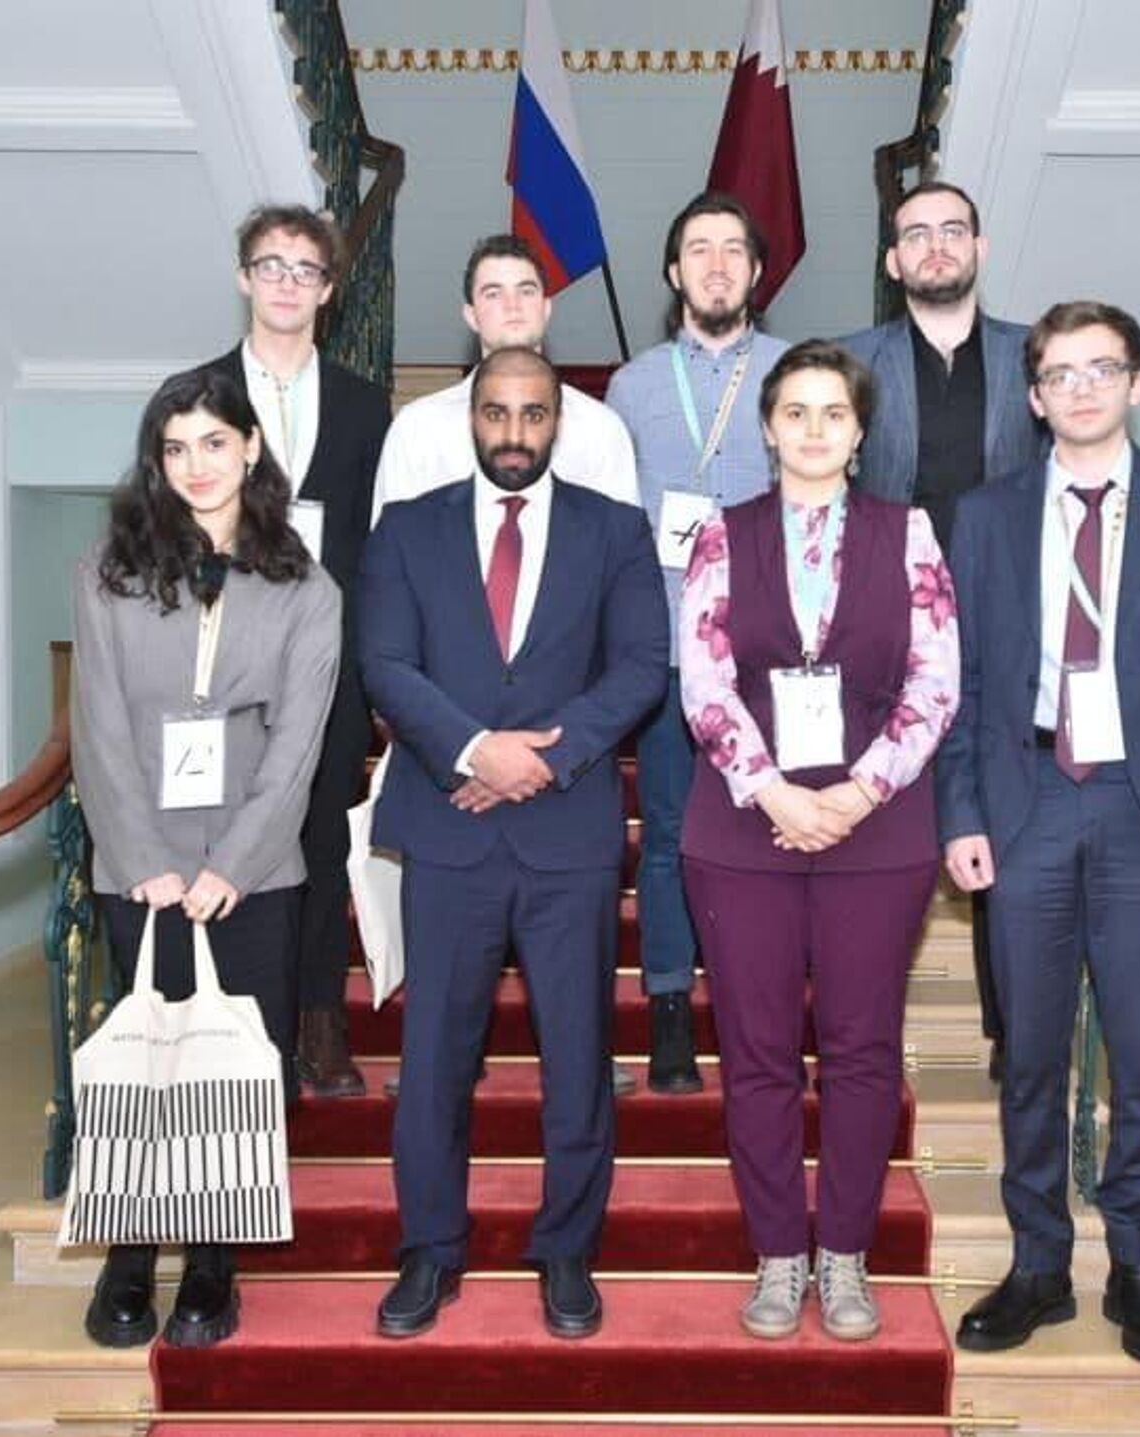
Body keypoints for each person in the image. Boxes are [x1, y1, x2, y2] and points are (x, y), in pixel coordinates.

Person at [940, 302, 1140, 1367]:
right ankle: (1037, 1264)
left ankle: (1132, 1260)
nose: (1080, 389)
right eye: (1060, 374)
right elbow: (961, 682)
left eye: (1100, 368)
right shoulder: (986, 516)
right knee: (1029, 1055)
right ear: (1034, 398)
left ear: (1137, 383)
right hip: (1026, 798)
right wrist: (961, 811)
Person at [358, 348, 668, 1341]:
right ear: (472, 417)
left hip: (567, 837)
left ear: (557, 422)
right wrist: (474, 750)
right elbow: (385, 664)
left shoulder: (614, 530)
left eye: (534, 414)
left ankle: (567, 1248)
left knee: (577, 1056)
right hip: (447, 829)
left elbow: (642, 666)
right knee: (433, 1060)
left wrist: (550, 756)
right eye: (497, 412)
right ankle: (429, 1249)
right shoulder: (408, 528)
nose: (515, 433)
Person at [678, 341, 960, 1341]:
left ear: (859, 429)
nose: (811, 429)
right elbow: (703, 679)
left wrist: (860, 787)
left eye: (832, 412)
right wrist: (770, 790)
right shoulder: (722, 535)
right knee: (756, 1054)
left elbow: (937, 679)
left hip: (876, 831)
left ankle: (844, 1253)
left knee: (860, 1050)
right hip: (741, 830)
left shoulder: (907, 532)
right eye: (793, 411)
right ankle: (777, 1254)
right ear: (767, 427)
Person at [70, 366, 344, 1349]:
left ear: (251, 448)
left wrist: (234, 862)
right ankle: (131, 1249)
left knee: (236, 1067)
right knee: (147, 1058)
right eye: (175, 447)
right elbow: (96, 720)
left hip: (253, 873)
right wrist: (140, 853)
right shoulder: (108, 570)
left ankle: (213, 1261)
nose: (196, 465)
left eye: (214, 443)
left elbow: (298, 743)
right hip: (137, 862)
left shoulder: (306, 586)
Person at [843, 180, 1050, 1082]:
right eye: (917, 235)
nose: (936, 246)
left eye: (952, 231)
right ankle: (861, 1027)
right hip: (886, 634)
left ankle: (1014, 1031)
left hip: (1006, 632)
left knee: (1005, 826)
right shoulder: (851, 362)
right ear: (893, 262)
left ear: (979, 248)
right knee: (882, 833)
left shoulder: (1033, 357)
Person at [200, 203, 390, 1099]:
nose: (286, 283)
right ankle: (240, 1025)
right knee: (230, 837)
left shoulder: (363, 403)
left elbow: (374, 543)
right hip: (221, 663)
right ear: (243, 277)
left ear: (328, 289)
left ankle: (319, 1018)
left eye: (305, 269)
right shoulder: (198, 395)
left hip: (329, 663)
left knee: (319, 840)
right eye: (270, 266)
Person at [605, 192, 790, 1094]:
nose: (716, 265)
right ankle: (671, 1005)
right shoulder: (631, 387)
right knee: (672, 833)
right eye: (698, 250)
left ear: (756, 271)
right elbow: (613, 526)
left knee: (766, 828)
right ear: (673, 273)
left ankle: (759, 1010)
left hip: (768, 652)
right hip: (670, 651)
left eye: (732, 249)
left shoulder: (797, 374)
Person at [370, 234, 638, 522]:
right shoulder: (417, 430)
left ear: (546, 308)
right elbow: (391, 545)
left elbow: (622, 544)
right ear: (471, 315)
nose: (513, 305)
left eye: (526, 291)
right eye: (493, 293)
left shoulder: (600, 429)